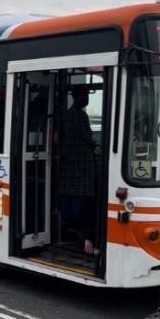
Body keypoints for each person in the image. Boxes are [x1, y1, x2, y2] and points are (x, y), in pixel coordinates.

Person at [58, 86, 98, 255]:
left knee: (70, 202)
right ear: (77, 97)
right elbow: (88, 138)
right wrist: (96, 145)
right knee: (83, 205)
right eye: (86, 95)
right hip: (82, 165)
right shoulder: (80, 115)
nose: (87, 98)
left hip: (69, 165)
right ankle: (82, 235)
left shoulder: (66, 115)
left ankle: (74, 231)